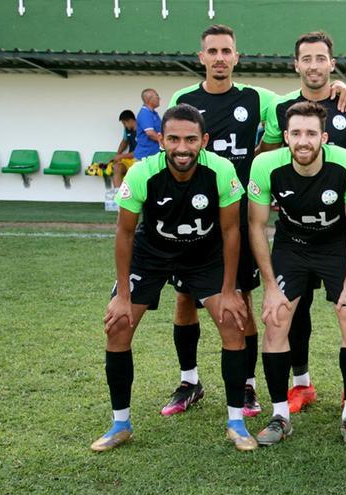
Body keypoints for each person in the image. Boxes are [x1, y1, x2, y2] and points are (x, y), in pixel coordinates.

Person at [91, 103, 256, 452]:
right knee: (118, 325)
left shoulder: (222, 171)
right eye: (174, 139)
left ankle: (236, 422)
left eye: (191, 139)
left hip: (204, 255)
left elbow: (230, 232)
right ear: (161, 140)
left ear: (204, 140)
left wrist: (229, 290)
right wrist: (122, 295)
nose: (183, 148)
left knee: (232, 322)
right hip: (151, 254)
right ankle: (120, 424)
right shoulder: (141, 173)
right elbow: (124, 233)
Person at [164, 24, 277, 419]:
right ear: (201, 57)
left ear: (236, 57)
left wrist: (339, 88)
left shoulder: (255, 98)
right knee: (184, 298)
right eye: (212, 51)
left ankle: (246, 386)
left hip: (238, 214)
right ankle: (190, 381)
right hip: (192, 217)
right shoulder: (184, 99)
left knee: (241, 298)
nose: (219, 58)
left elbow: (299, 102)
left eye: (226, 51)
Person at [258, 31, 346, 414]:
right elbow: (269, 156)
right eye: (306, 58)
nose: (314, 65)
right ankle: (299, 386)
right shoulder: (280, 109)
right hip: (293, 238)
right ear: (296, 64)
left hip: (338, 236)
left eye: (320, 58)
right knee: (289, 313)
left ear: (331, 63)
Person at [248, 102, 346, 447]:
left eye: (311, 133)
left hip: (337, 244)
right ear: (285, 136)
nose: (304, 141)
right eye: (296, 133)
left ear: (324, 137)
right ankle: (280, 415)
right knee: (276, 318)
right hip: (292, 246)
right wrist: (270, 287)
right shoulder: (265, 165)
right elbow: (256, 226)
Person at [110, 110, 137, 188]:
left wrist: (120, 156)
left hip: (139, 160)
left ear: (130, 120)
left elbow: (138, 152)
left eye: (124, 123)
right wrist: (118, 154)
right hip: (129, 159)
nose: (124, 126)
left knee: (134, 173)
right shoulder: (127, 129)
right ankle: (118, 195)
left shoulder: (141, 131)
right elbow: (124, 141)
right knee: (116, 167)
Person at [133, 89, 161, 160]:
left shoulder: (153, 113)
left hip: (152, 155)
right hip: (145, 156)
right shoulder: (145, 114)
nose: (159, 98)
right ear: (149, 99)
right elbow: (150, 134)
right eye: (157, 96)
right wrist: (165, 142)